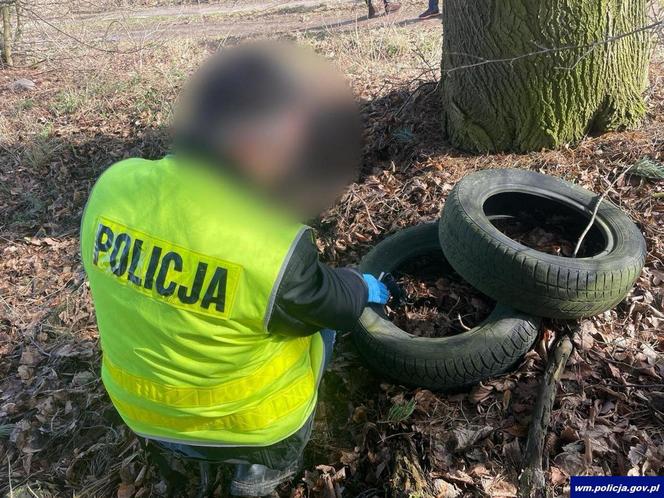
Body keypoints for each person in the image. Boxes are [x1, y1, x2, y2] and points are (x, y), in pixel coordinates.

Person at [80, 43, 390, 497]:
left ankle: (182, 457)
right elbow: (336, 307)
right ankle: (263, 474)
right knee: (320, 331)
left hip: (140, 412)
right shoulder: (271, 243)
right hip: (253, 426)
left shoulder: (113, 186)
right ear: (250, 144)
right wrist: (361, 286)